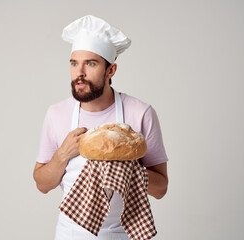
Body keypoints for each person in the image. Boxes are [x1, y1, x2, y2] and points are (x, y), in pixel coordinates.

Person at [33, 15, 168, 240]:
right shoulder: (56, 114)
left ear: (111, 70)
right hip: (71, 233)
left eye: (91, 63)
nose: (80, 73)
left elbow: (161, 188)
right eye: (74, 63)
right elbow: (42, 185)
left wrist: (130, 170)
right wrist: (63, 154)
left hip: (122, 233)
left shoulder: (140, 113)